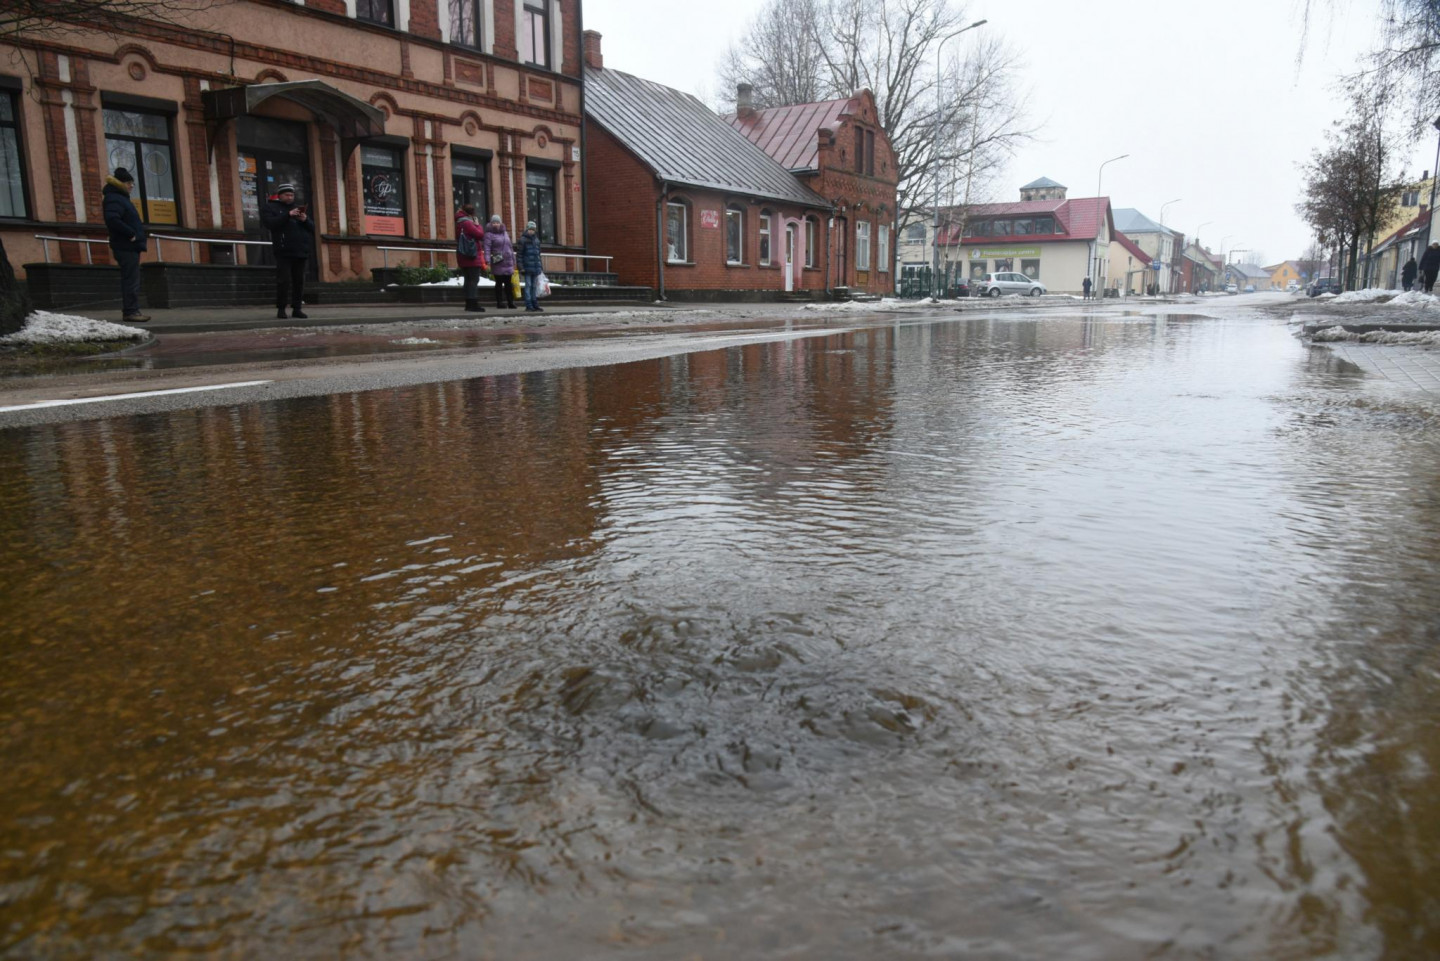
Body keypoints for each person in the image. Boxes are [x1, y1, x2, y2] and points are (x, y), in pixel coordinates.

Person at [260, 183, 314, 319]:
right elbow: (270, 224)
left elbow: (312, 228)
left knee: (299, 281)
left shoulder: (298, 208)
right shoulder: (270, 207)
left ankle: (297, 308)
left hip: (300, 250)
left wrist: (305, 220)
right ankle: (281, 309)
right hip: (283, 250)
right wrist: (287, 215)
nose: (290, 197)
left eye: (292, 195)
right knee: (283, 281)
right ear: (280, 195)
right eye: (287, 195)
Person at [102, 167, 149, 323]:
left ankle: (132, 310)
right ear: (120, 183)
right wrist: (131, 234)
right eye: (129, 183)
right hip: (126, 246)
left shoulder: (119, 198)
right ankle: (131, 311)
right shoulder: (114, 198)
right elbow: (113, 219)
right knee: (130, 280)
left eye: (132, 183)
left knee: (132, 279)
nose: (131, 186)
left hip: (128, 246)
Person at [455, 204, 488, 312]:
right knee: (473, 280)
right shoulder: (467, 223)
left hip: (463, 255)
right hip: (472, 256)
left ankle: (468, 303)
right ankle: (472, 304)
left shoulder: (459, 222)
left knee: (468, 280)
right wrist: (478, 225)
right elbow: (480, 235)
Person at [483, 215, 517, 309]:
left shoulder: (505, 233)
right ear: (491, 223)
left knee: (508, 283)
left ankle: (510, 302)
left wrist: (514, 260)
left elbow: (510, 247)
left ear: (500, 223)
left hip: (508, 261)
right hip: (498, 261)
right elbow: (487, 248)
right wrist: (487, 260)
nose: (496, 224)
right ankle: (500, 302)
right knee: (499, 283)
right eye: (494, 222)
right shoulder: (488, 235)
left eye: (497, 222)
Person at [517, 221, 545, 312]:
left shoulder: (536, 240)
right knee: (528, 285)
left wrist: (540, 267)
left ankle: (534, 303)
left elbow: (538, 255)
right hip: (527, 267)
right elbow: (519, 255)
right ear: (527, 229)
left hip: (535, 267)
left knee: (534, 286)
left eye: (533, 229)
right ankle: (529, 304)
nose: (531, 231)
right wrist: (521, 267)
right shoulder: (523, 240)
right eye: (530, 229)